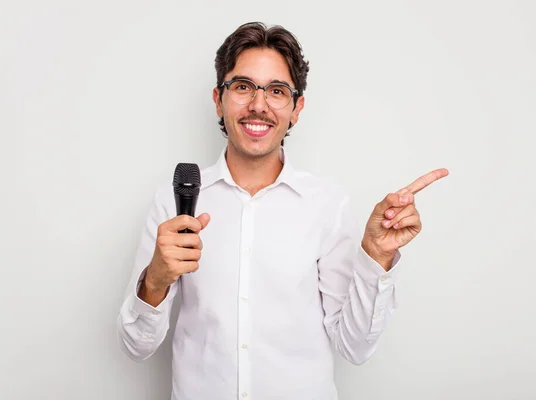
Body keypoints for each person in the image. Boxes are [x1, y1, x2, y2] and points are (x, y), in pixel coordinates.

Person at [117, 21, 448, 400]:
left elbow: (354, 347)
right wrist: (155, 280)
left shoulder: (327, 204)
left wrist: (377, 257)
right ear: (218, 98)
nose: (259, 105)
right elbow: (135, 346)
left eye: (276, 91)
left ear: (296, 108)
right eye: (243, 87)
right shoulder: (173, 202)